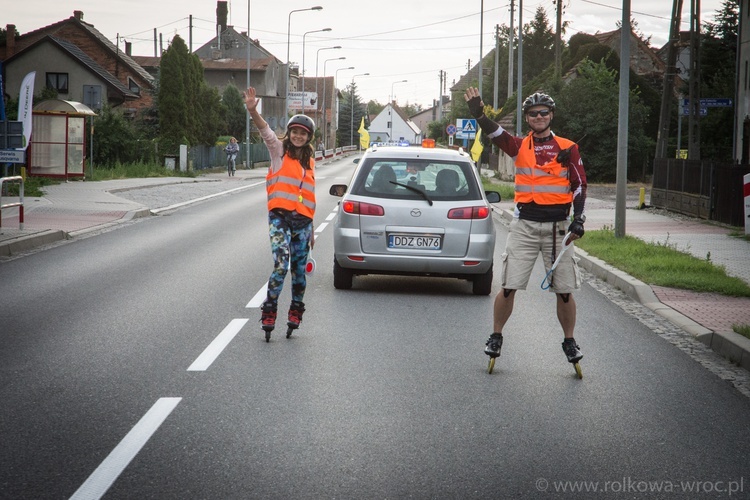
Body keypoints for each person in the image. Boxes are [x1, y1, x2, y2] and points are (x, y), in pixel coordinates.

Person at [463, 87, 587, 366]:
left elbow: (580, 186)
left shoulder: (568, 148)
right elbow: (496, 135)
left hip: (558, 228)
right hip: (525, 226)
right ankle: (496, 336)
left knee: (564, 290)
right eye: (533, 113)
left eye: (544, 112)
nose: (539, 116)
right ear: (527, 118)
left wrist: (578, 219)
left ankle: (569, 341)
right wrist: (479, 115)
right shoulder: (519, 146)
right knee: (508, 285)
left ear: (551, 115)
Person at [243, 87, 316, 337]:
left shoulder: (310, 162)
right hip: (280, 220)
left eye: (302, 134)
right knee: (281, 265)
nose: (297, 136)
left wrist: (312, 229)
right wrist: (253, 110)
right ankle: (270, 307)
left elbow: (307, 197)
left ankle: (296, 309)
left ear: (308, 138)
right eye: (294, 132)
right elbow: (267, 133)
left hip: (303, 224)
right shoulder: (279, 152)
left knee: (299, 271)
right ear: (290, 133)